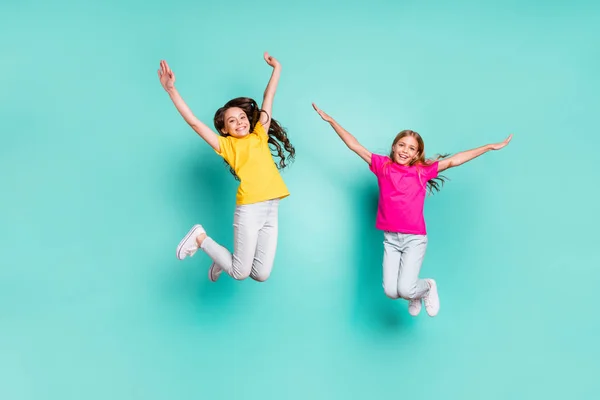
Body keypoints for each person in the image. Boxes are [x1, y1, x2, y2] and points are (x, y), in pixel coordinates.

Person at [312, 103, 512, 316]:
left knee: (406, 289)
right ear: (394, 146)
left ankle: (427, 287)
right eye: (401, 145)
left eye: (411, 148)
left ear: (417, 153)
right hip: (391, 239)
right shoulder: (383, 166)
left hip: (414, 238)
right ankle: (415, 294)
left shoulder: (422, 172)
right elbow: (355, 146)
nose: (405, 151)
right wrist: (332, 121)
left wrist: (488, 146)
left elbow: (454, 160)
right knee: (391, 291)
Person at [157, 53, 295, 283]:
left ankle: (221, 259)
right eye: (232, 121)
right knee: (240, 273)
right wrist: (171, 90)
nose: (240, 122)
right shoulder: (226, 146)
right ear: (224, 130)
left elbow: (268, 95)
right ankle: (200, 237)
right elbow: (193, 121)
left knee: (261, 274)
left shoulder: (259, 133)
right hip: (249, 209)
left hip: (272, 209)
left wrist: (277, 68)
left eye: (242, 117)